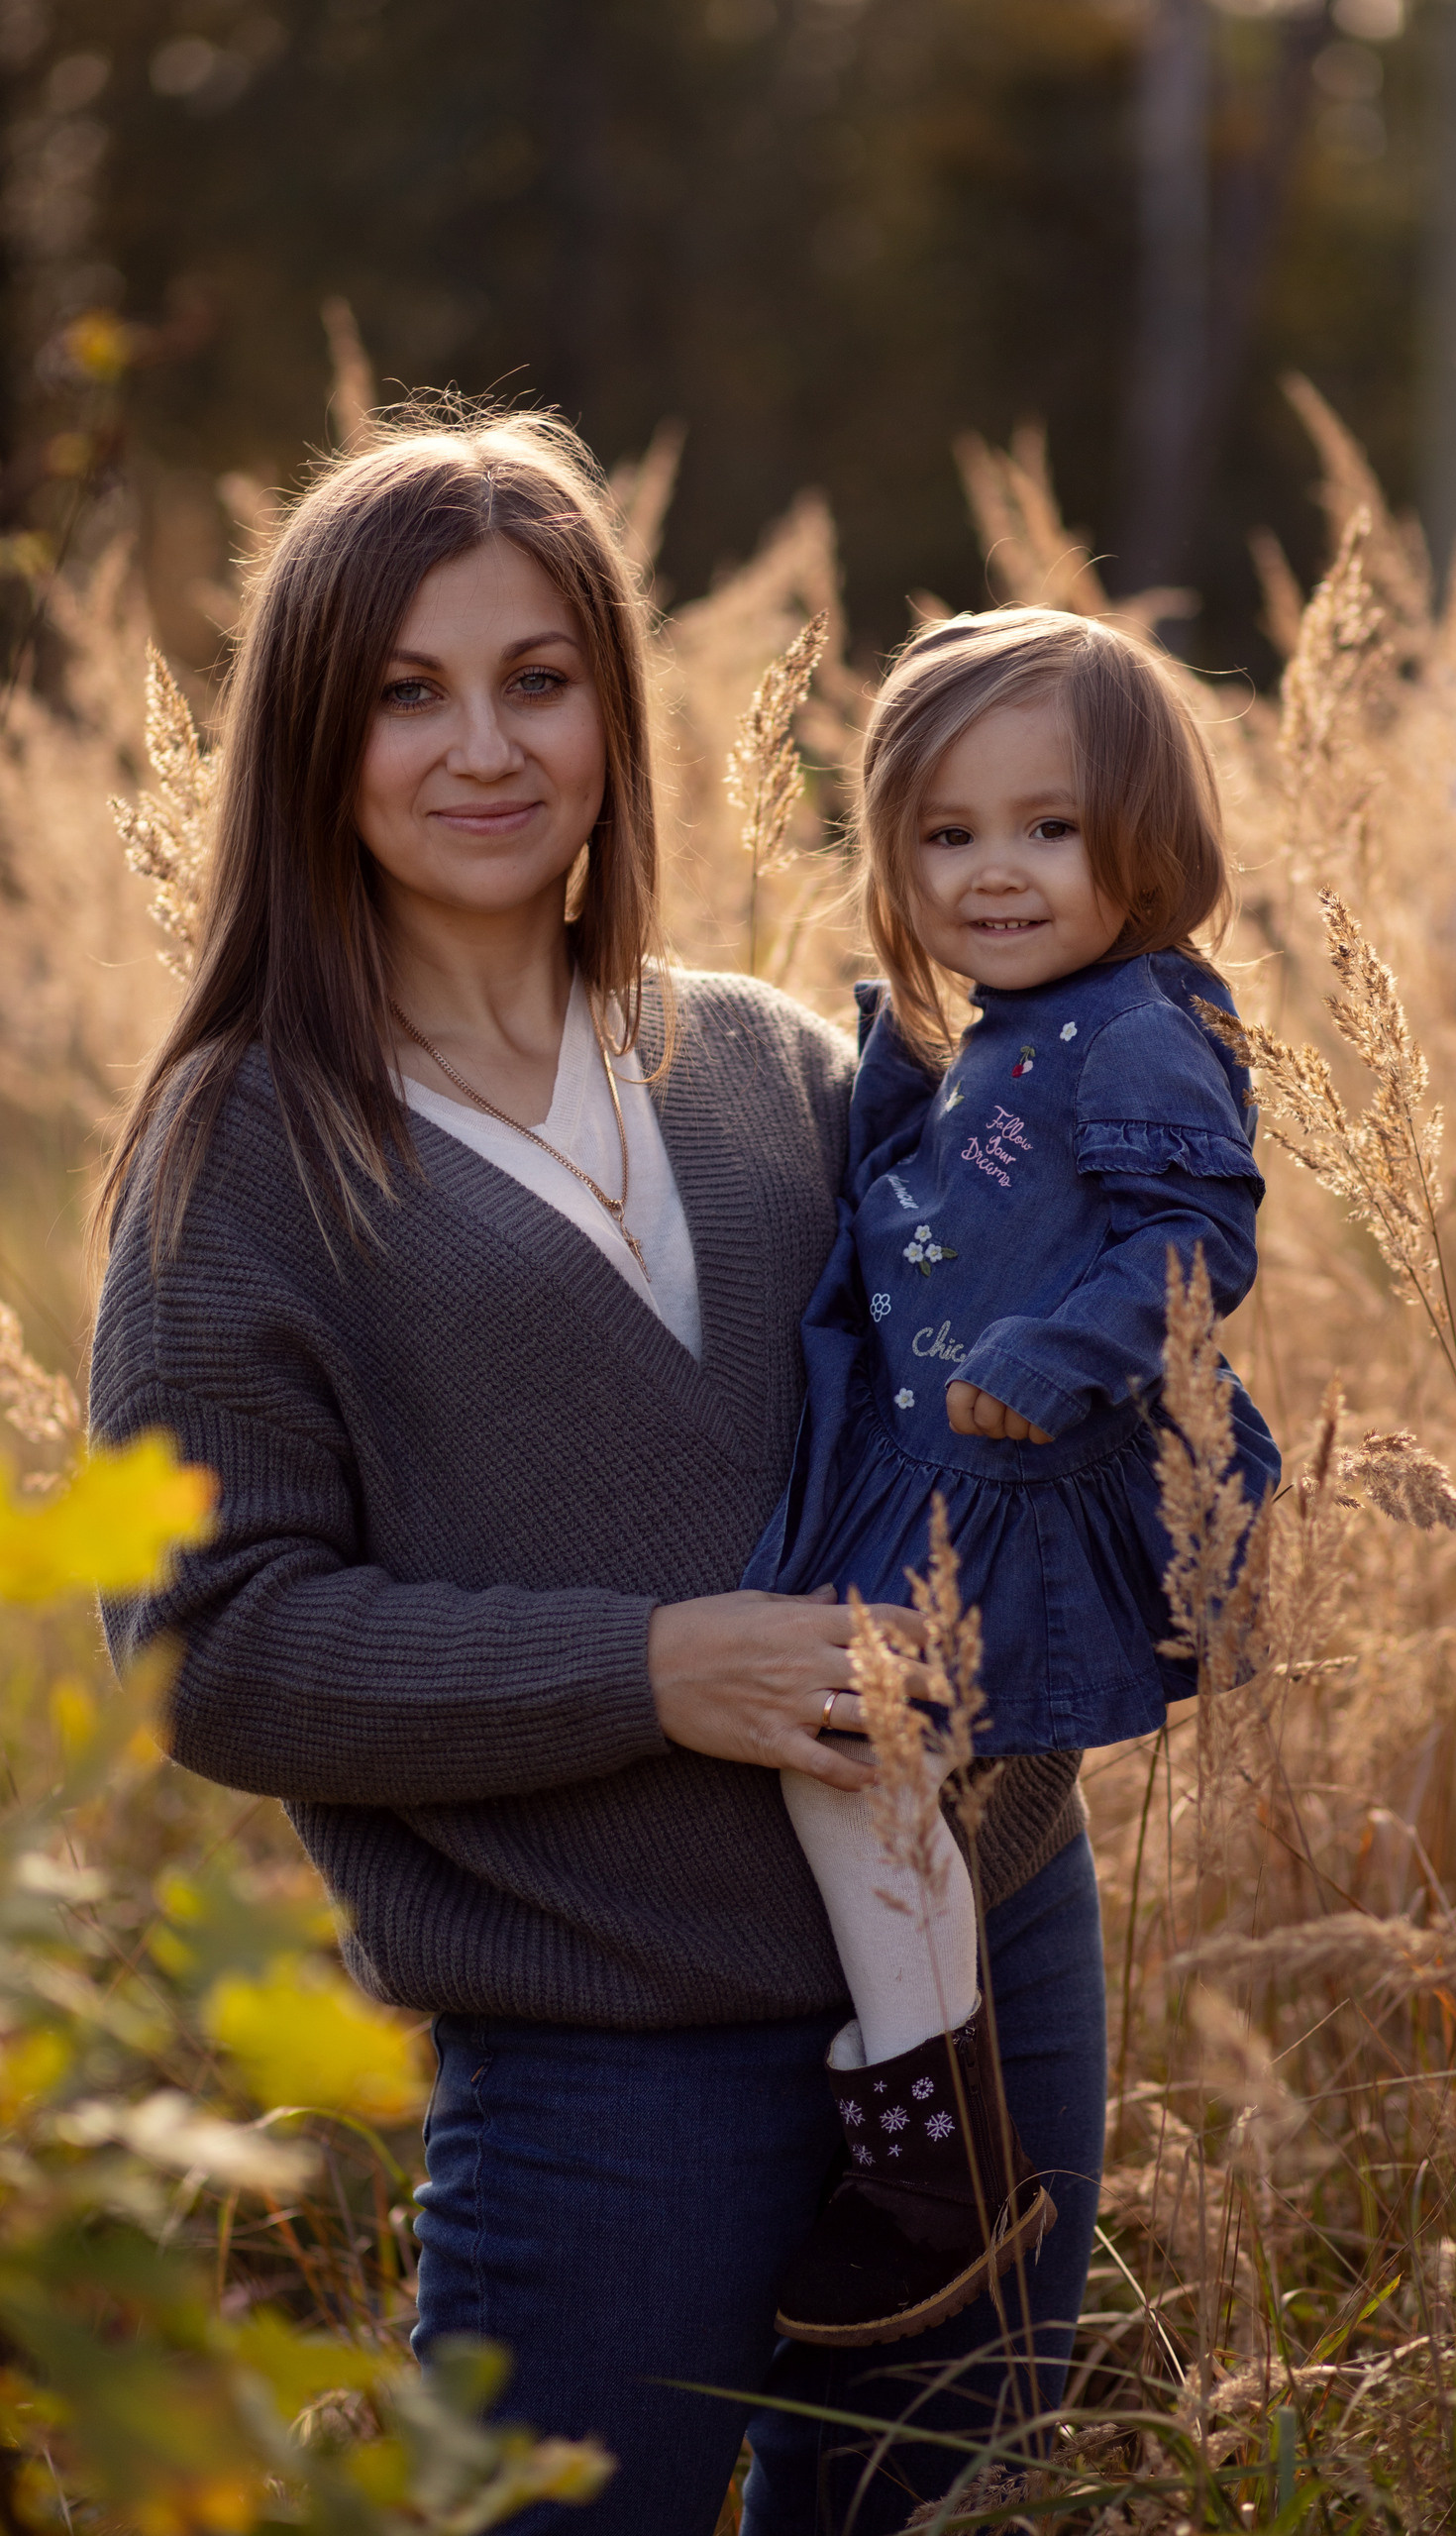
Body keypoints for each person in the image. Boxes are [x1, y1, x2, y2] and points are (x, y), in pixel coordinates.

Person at [87, 409, 1102, 2535]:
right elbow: (210, 1647)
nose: (485, 747)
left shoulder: (771, 1059)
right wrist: (656, 1664)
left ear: (612, 715)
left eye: (536, 679)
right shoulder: (243, 1156)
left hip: (993, 1944)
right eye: (407, 693)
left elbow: (982, 1423)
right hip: (608, 2063)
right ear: (309, 743)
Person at [744, 607, 1279, 2347]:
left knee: (865, 1761)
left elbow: (1195, 1233)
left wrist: (1063, 1356)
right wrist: (895, 1097)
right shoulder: (1007, 1022)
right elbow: (962, 1199)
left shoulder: (1134, 1028)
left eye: (1047, 830)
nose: (995, 872)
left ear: (1145, 843)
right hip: (932, 1474)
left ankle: (928, 2145)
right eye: (946, 834)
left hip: (1022, 1483)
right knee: (882, 1775)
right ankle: (930, 2113)